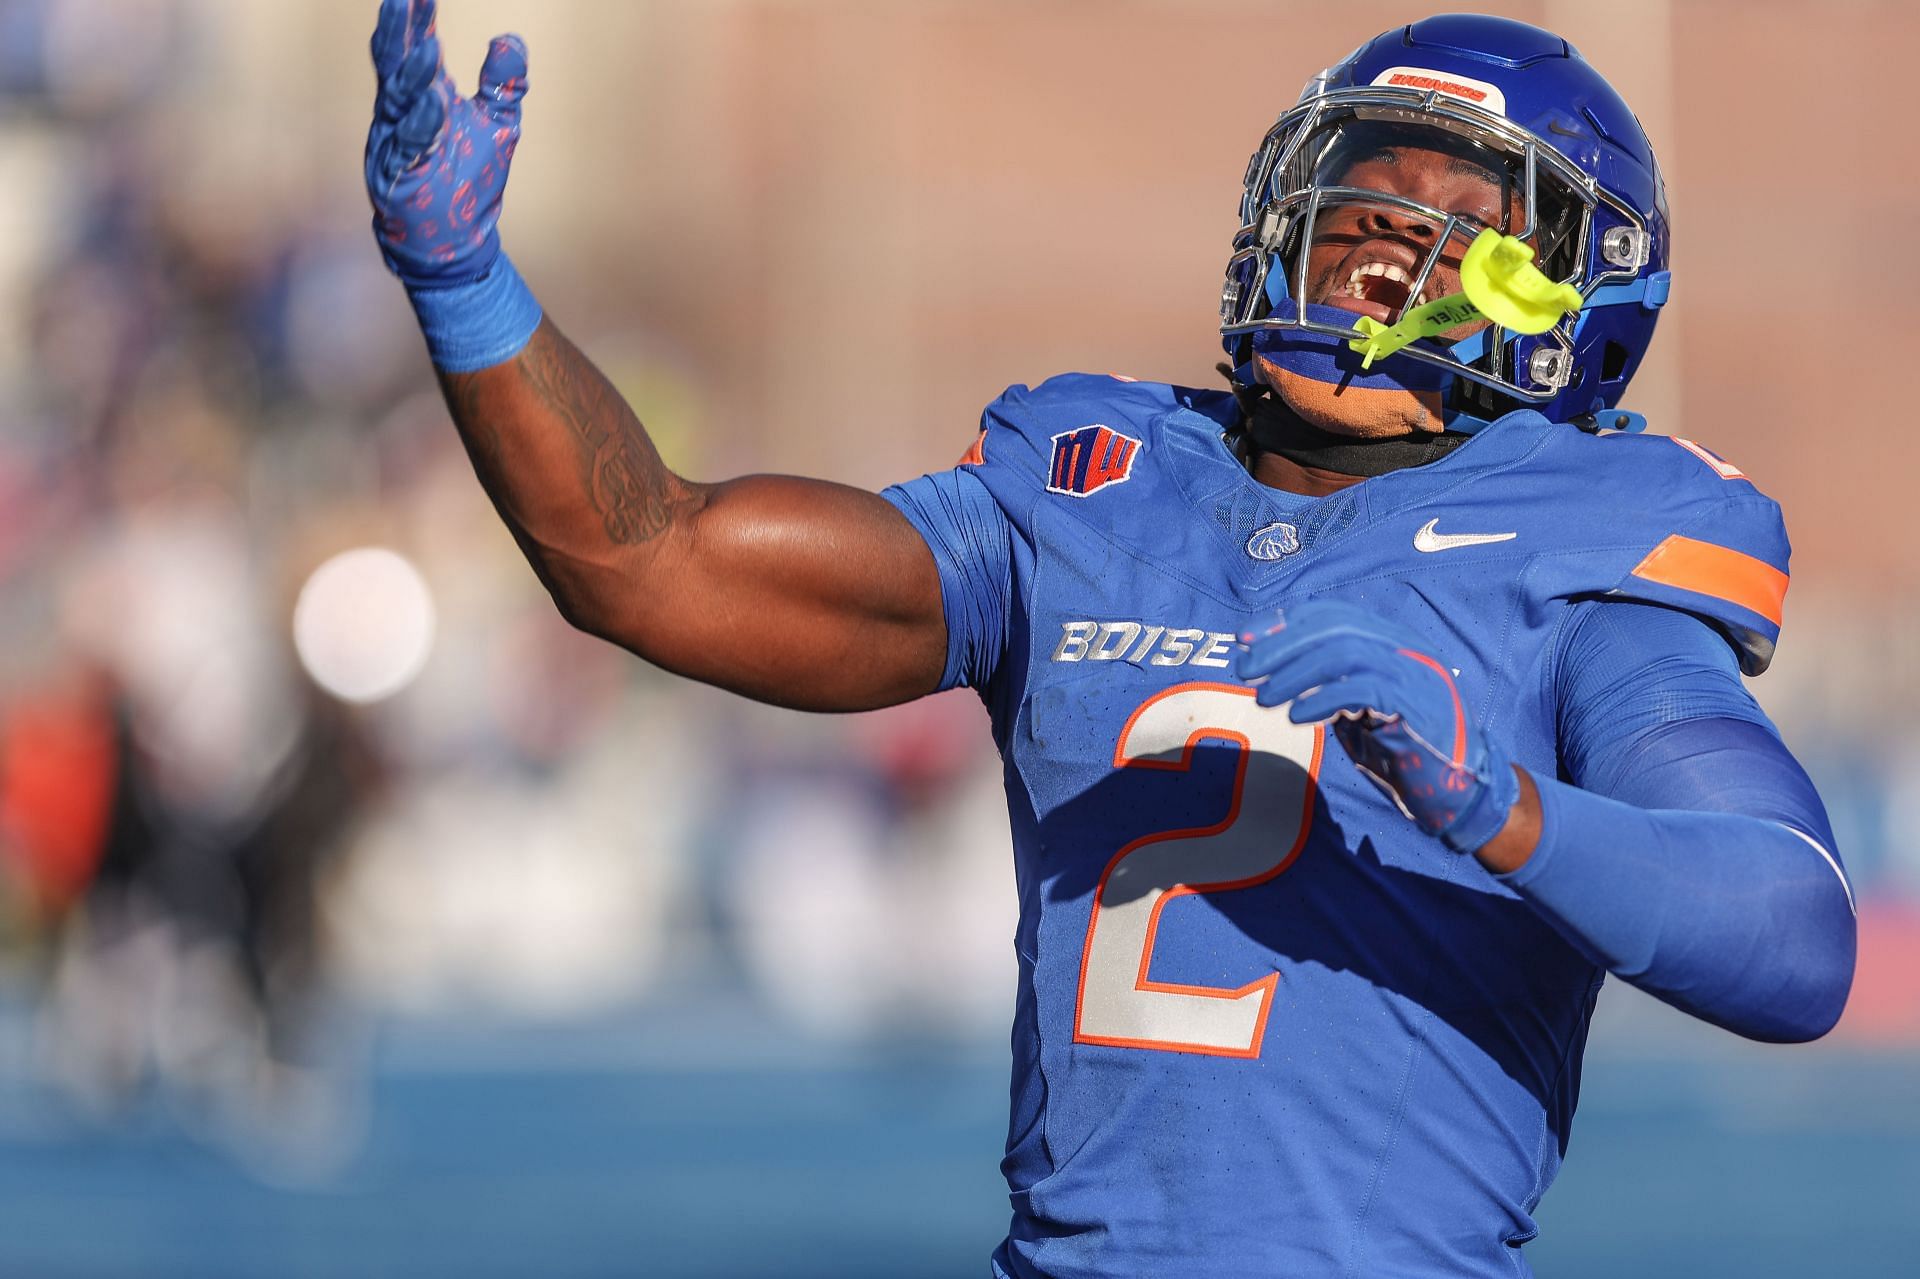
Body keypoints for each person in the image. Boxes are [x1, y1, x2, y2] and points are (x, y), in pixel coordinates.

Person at [365, 6, 1855, 1275]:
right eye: (1356, 217)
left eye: (1441, 237)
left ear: (1569, 305)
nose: (1372, 264)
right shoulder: (1094, 482)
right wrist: (468, 286)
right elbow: (648, 559)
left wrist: (1510, 808)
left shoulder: (1582, 545)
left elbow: (1794, 940)